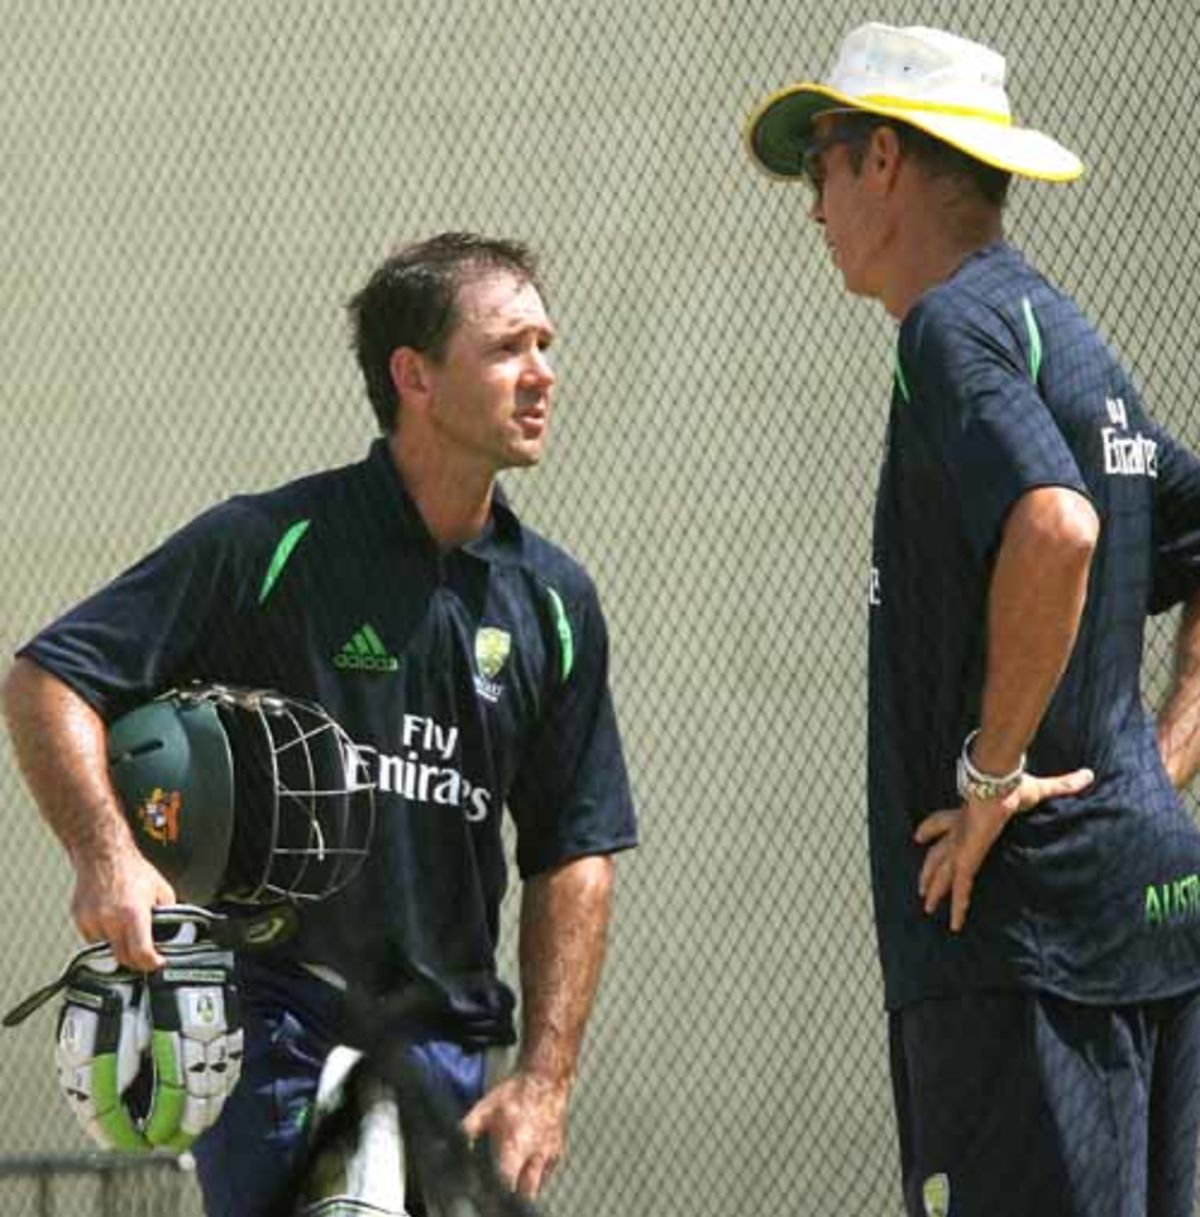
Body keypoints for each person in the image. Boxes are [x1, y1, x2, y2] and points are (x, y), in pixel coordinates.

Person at [2, 232, 638, 1215]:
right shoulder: (275, 547)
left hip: (449, 1045)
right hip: (274, 1018)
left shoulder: (554, 601)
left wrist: (545, 1082)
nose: (542, 374)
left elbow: (576, 851)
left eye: (546, 345)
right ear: (414, 375)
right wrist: (108, 854)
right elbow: (51, 675)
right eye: (508, 347)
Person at [746, 23, 1200, 1217]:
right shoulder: (1069, 332)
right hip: (1144, 901)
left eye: (822, 165)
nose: (813, 206)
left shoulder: (951, 329)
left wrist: (991, 771)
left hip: (1024, 941)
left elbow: (1055, 526)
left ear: (885, 162)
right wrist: (1157, 765)